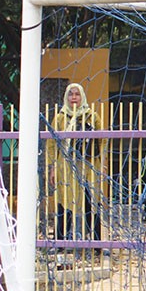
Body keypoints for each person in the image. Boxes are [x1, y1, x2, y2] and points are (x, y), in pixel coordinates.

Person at [49, 83, 105, 265]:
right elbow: (52, 144)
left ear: (82, 97)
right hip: (66, 166)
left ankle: (96, 244)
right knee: (65, 203)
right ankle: (60, 242)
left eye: (77, 94)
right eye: (70, 94)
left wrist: (102, 163)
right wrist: (53, 167)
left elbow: (102, 141)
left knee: (91, 203)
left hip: (88, 166)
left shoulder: (92, 116)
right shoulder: (60, 118)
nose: (74, 98)